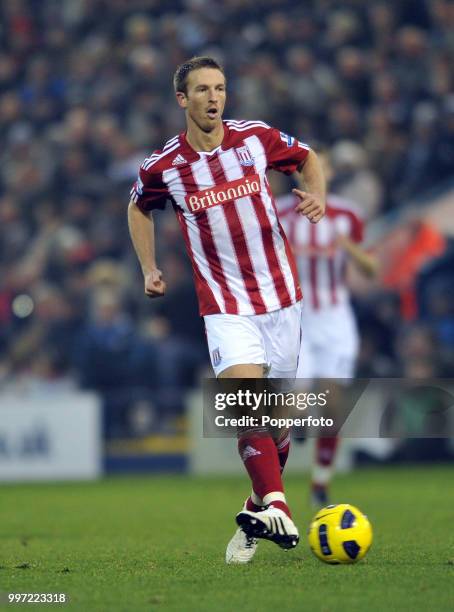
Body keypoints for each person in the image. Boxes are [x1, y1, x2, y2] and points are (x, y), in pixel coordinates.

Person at [127, 56, 326, 564]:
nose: (214, 98)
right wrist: (148, 267)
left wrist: (317, 195)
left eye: (220, 88)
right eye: (202, 90)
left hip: (283, 300)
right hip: (224, 305)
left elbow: (307, 158)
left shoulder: (256, 138)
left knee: (278, 431)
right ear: (182, 99)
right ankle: (278, 504)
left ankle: (255, 510)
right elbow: (137, 206)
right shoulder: (164, 166)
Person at [277, 151, 378, 507]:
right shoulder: (279, 213)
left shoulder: (348, 216)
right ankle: (297, 430)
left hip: (335, 318)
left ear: (329, 172)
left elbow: (372, 269)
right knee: (299, 405)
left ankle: (320, 484)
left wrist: (348, 247)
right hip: (297, 319)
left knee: (333, 406)